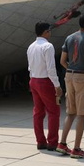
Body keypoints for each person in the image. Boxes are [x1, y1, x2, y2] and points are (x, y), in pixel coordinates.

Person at [56, 14, 84, 158]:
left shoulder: (69, 38)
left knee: (70, 112)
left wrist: (70, 69)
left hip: (69, 75)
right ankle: (77, 148)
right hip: (82, 75)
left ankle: (62, 143)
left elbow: (62, 61)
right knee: (82, 113)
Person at [27, 22, 62, 151]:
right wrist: (57, 85)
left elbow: (30, 66)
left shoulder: (31, 46)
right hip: (45, 81)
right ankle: (52, 142)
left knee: (38, 112)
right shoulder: (48, 46)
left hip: (34, 79)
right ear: (46, 32)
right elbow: (51, 68)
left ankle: (40, 141)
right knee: (53, 111)